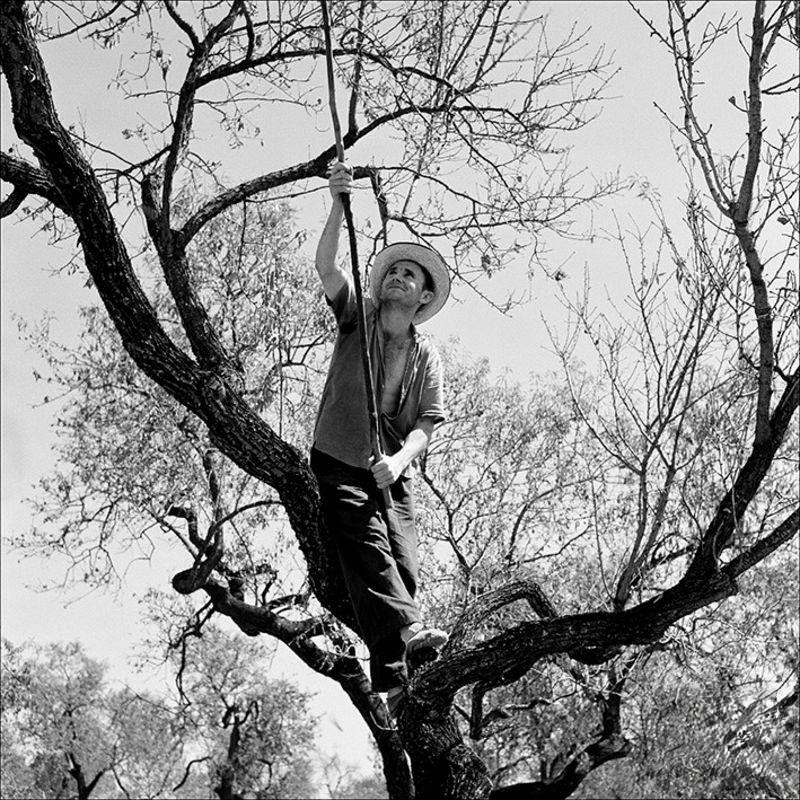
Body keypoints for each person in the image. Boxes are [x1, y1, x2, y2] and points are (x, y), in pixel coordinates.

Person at [310, 161, 449, 716]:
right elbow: (327, 267)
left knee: (401, 566)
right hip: (339, 455)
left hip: (392, 471)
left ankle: (391, 687)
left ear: (422, 298)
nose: (398, 277)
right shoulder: (358, 317)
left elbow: (426, 424)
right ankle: (411, 631)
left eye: (411, 275)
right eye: (394, 271)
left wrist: (399, 460)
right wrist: (336, 204)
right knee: (370, 549)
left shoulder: (426, 354)